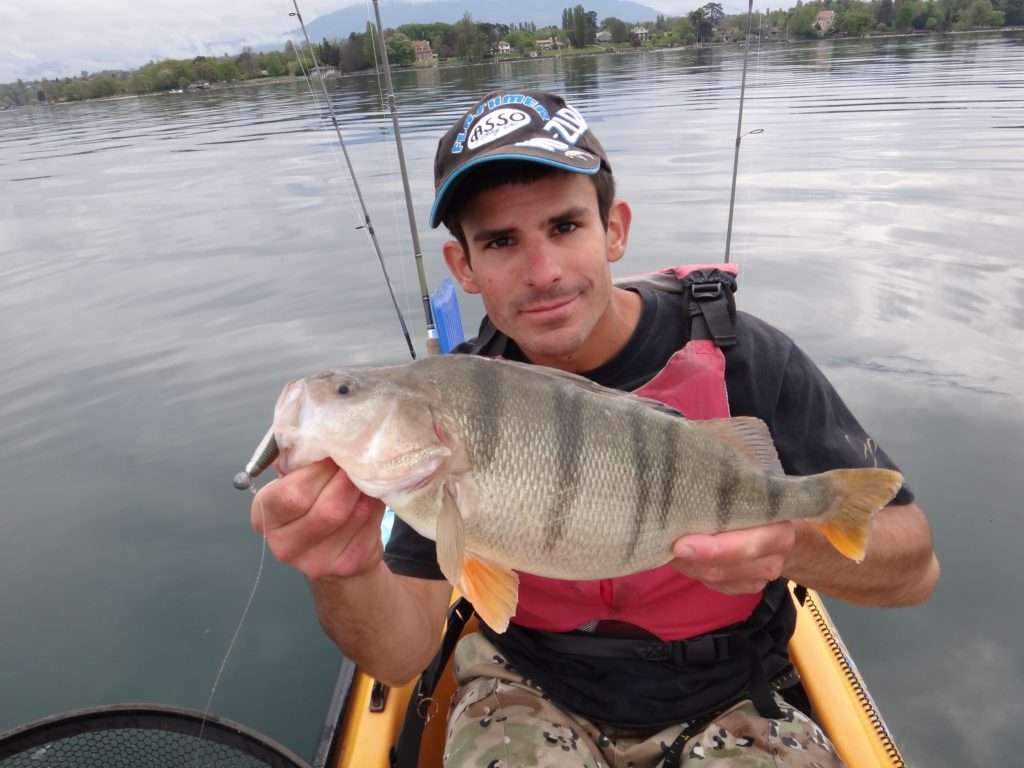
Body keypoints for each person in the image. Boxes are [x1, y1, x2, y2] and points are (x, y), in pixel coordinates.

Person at [251, 90, 939, 767]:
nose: (544, 272)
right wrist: (344, 569)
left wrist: (789, 545)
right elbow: (399, 657)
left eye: (565, 227)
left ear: (614, 229)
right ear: (463, 266)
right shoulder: (457, 405)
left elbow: (916, 570)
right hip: (526, 694)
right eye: (500, 241)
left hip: (732, 693)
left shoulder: (749, 359)